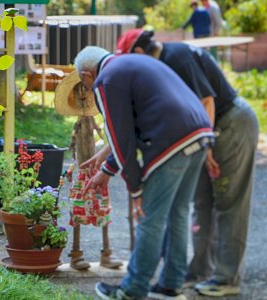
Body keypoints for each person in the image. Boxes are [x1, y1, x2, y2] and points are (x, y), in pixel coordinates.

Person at [116, 28, 259, 297]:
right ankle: (198, 271)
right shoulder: (162, 64)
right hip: (202, 135)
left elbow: (208, 101)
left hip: (230, 124)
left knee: (229, 203)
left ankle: (226, 277)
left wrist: (207, 151)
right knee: (200, 203)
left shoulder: (177, 55)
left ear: (138, 53)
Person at [74, 46, 214, 299]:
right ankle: (171, 285)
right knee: (178, 214)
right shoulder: (131, 62)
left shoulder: (106, 80)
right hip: (200, 134)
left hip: (172, 143)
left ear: (86, 75)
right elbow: (131, 131)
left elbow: (121, 136)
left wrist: (136, 189)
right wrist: (107, 168)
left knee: (150, 218)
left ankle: (133, 289)